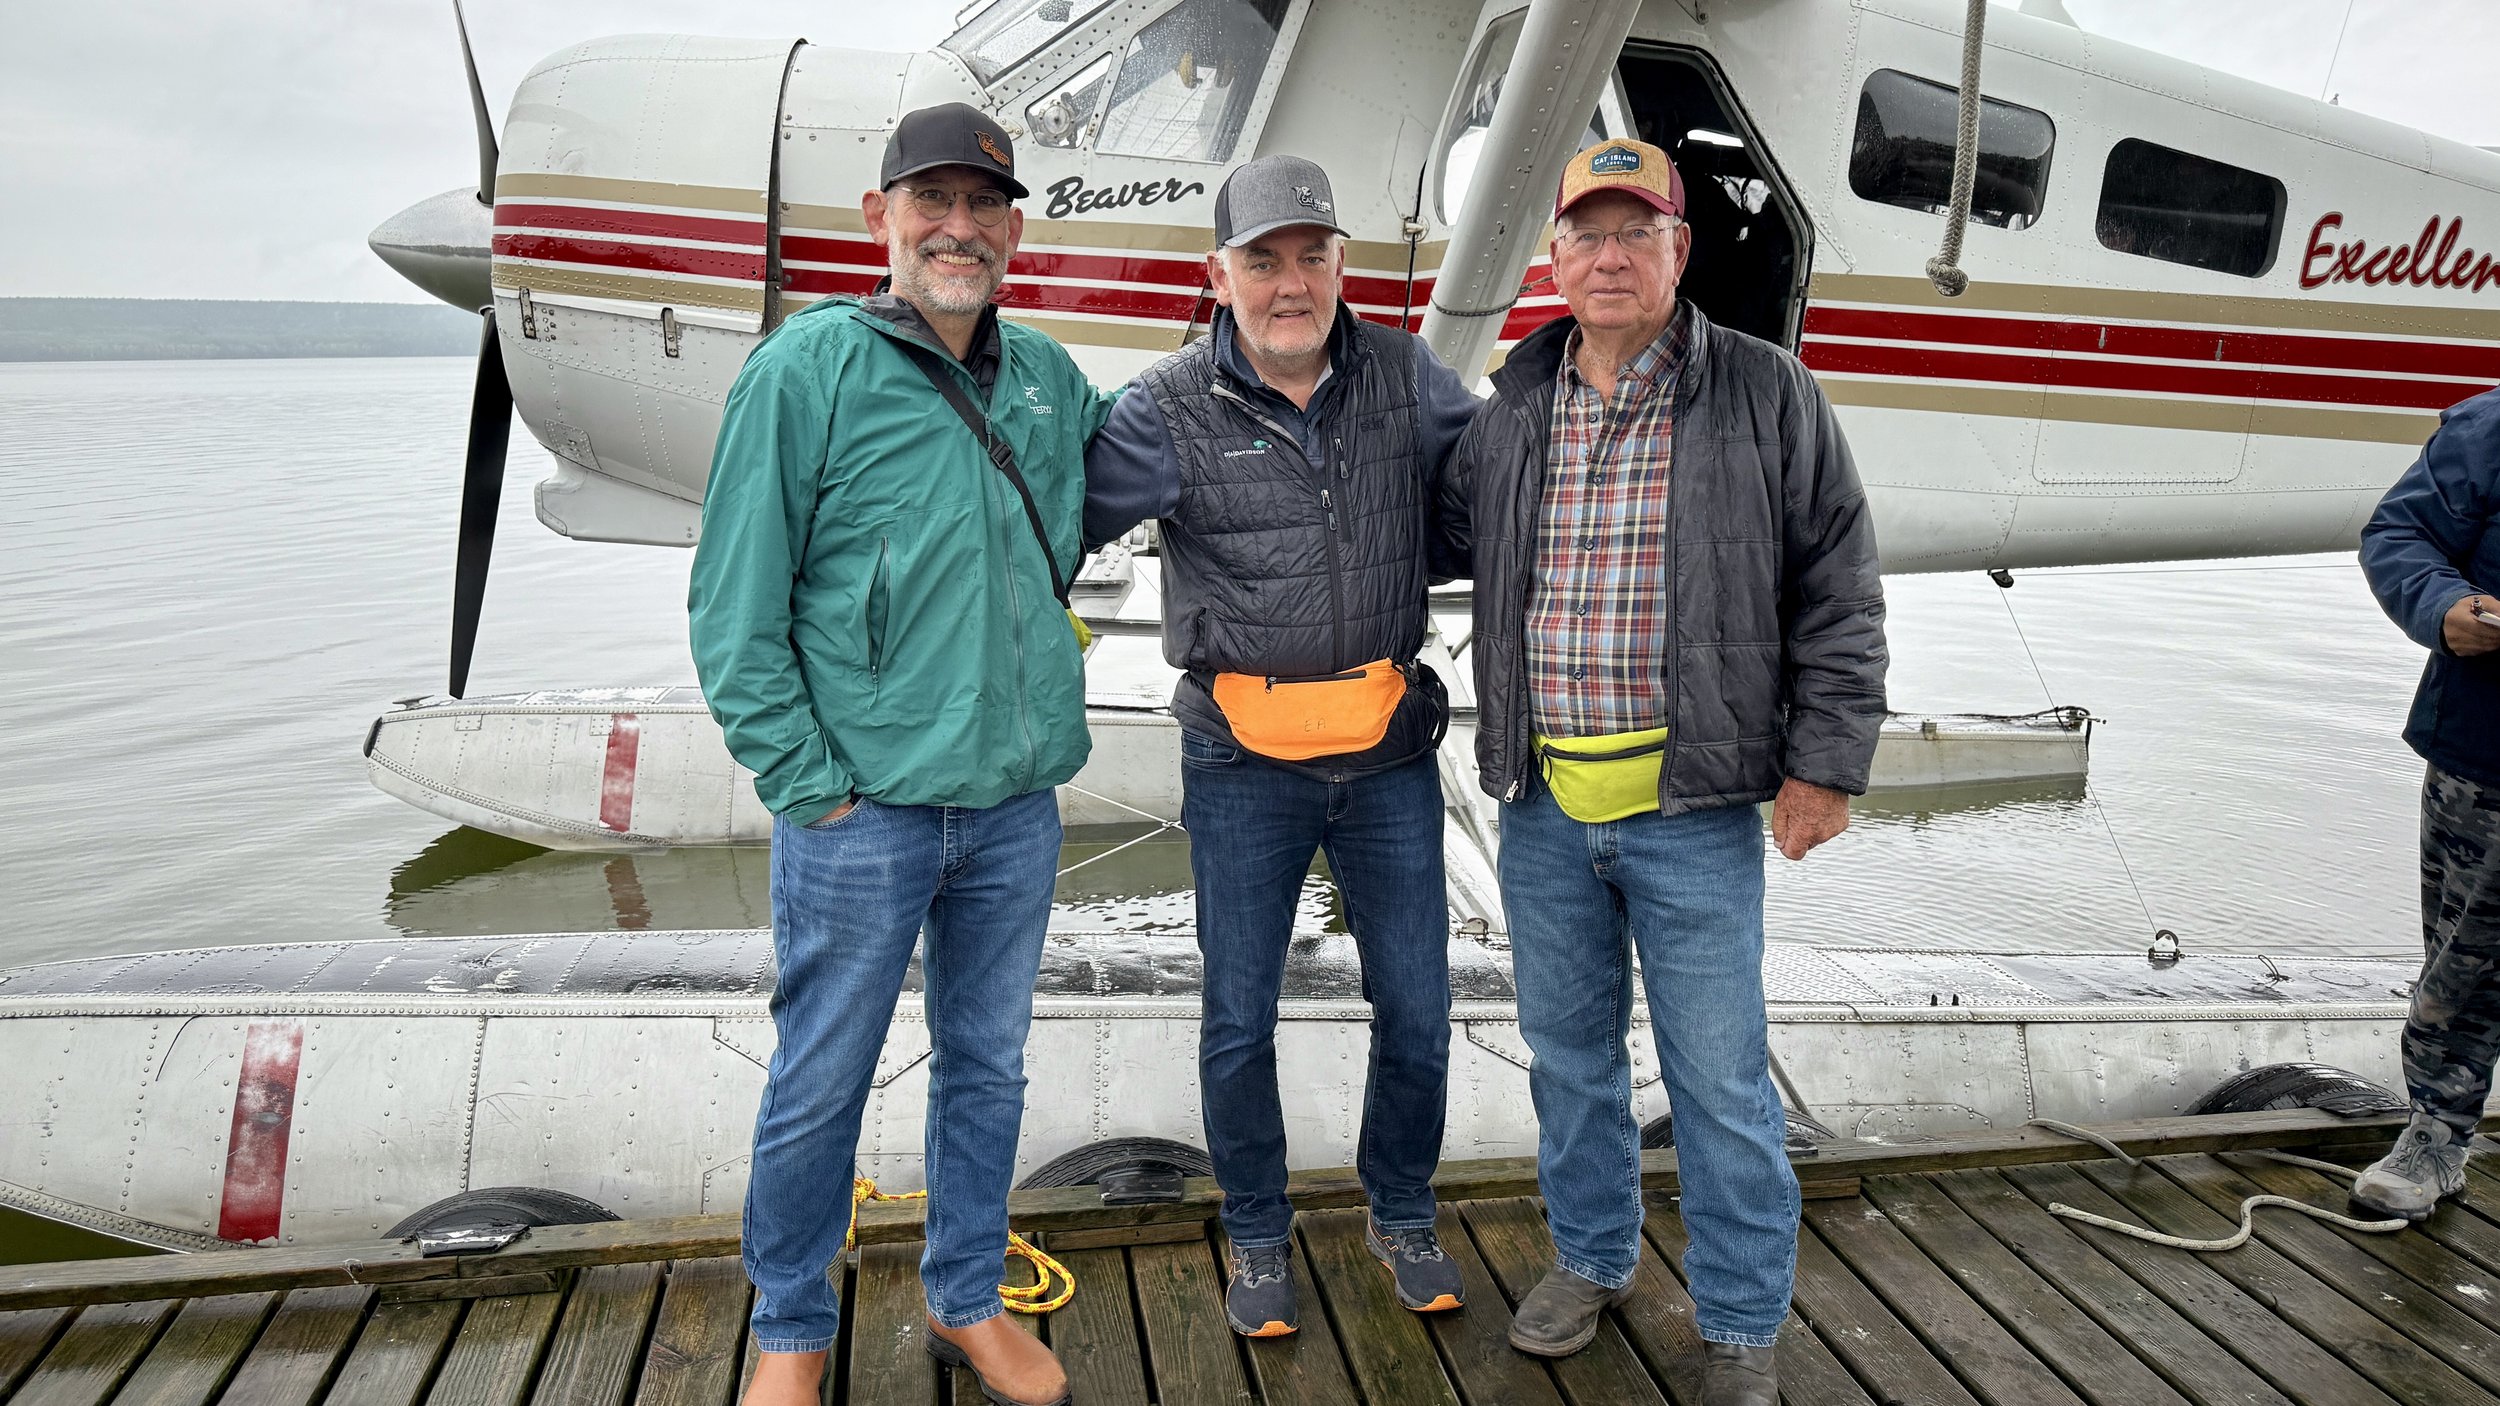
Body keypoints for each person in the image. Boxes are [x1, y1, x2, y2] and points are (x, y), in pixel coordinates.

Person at [1438, 138, 1886, 1405]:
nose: (1610, 254)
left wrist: (1824, 764)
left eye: (1638, 232)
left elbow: (1839, 590)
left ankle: (1741, 1319)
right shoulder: (1516, 398)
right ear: (1556, 257)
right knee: (1569, 1057)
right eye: (1588, 232)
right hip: (1541, 803)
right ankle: (1591, 1254)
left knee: (1718, 1075)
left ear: (1678, 253)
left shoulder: (1767, 390)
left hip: (1693, 810)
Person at [689, 102, 1112, 1406]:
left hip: (1012, 809)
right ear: (880, 219)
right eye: (931, 201)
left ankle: (969, 1294)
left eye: (985, 204)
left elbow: (1176, 475)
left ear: (1014, 228)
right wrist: (810, 787)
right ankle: (793, 1323)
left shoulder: (1047, 380)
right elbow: (731, 610)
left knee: (988, 1064)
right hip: (859, 814)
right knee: (821, 1077)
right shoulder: (801, 370)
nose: (959, 226)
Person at [1083, 154, 1480, 1338]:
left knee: (1415, 1000)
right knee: (1236, 1012)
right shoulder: (1158, 408)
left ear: (1342, 264)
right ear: (1220, 274)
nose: (1290, 283)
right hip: (1239, 761)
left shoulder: (1409, 376)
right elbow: (1038, 522)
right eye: (1263, 260)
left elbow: (1505, 487)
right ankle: (1256, 1232)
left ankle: (1400, 1209)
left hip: (1388, 752)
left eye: (1312, 255)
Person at [2355, 385, 2500, 1220]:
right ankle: (2437, 1133)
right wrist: (2445, 608)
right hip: (2486, 754)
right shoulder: (2492, 426)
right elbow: (2398, 532)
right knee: (2462, 964)